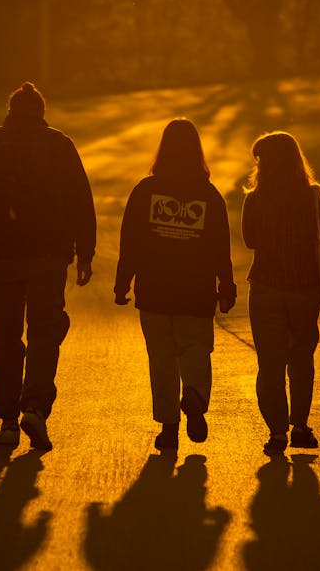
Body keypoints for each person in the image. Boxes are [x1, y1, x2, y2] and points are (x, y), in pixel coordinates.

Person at [0, 81, 96, 451]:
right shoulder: (60, 146)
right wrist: (85, 254)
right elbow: (81, 201)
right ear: (42, 113)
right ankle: (35, 408)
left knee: (6, 337)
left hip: (3, 258)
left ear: (10, 111)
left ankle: (6, 420)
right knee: (45, 334)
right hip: (49, 258)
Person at [114, 118, 237, 451]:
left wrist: (122, 283)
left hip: (154, 291)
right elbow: (219, 246)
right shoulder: (208, 196)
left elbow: (131, 242)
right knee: (195, 348)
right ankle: (195, 394)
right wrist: (226, 286)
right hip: (195, 291)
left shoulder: (145, 191)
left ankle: (169, 427)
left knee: (162, 358)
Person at [241, 131, 320, 455]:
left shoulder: (255, 198)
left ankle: (277, 433)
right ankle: (301, 428)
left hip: (265, 286)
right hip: (304, 287)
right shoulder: (313, 195)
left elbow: (250, 240)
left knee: (270, 364)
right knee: (301, 358)